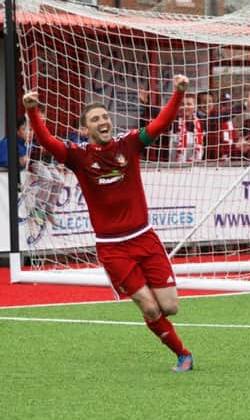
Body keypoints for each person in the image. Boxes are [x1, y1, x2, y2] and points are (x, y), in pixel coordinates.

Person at [22, 74, 194, 372]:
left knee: (170, 307)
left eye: (105, 116)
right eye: (95, 119)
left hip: (144, 238)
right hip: (113, 248)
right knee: (149, 306)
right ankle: (183, 354)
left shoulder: (128, 145)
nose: (103, 121)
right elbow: (47, 142)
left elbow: (159, 125)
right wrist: (32, 111)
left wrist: (178, 93)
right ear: (85, 128)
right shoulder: (79, 157)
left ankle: (169, 334)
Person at [27, 109, 64, 226]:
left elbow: (53, 149)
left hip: (48, 163)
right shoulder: (29, 131)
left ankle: (49, 210)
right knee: (48, 179)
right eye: (39, 120)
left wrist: (58, 163)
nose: (41, 122)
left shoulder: (46, 132)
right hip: (35, 161)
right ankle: (37, 209)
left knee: (60, 181)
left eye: (43, 120)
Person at [170, 94, 204, 163]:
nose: (185, 107)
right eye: (182, 104)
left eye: (188, 104)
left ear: (195, 107)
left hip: (194, 166)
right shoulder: (173, 122)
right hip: (174, 166)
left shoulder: (200, 124)